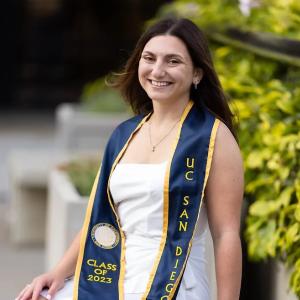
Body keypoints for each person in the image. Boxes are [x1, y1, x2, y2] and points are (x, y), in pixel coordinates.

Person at [16, 17, 244, 300]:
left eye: (173, 61)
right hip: (112, 275)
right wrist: (57, 273)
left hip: (172, 281)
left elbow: (226, 235)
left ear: (197, 74)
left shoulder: (212, 138)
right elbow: (99, 220)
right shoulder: (124, 135)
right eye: (149, 58)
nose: (158, 70)